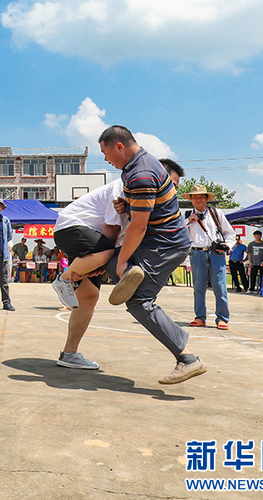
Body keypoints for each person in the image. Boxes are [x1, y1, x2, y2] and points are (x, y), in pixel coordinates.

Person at [99, 125, 205, 384]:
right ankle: (131, 270)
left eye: (105, 153)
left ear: (119, 146)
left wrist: (124, 261)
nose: (105, 159)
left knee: (138, 300)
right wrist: (126, 207)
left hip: (165, 244)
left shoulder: (142, 173)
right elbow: (142, 213)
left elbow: (139, 225)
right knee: (111, 263)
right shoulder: (136, 167)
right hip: (158, 240)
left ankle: (187, 359)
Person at [51, 178, 126, 369]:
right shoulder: (121, 188)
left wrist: (93, 266)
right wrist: (104, 259)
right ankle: (64, 279)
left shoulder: (149, 201)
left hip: (91, 240)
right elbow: (111, 228)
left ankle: (69, 354)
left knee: (89, 296)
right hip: (71, 227)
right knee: (108, 251)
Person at [184, 185, 237, 330]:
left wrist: (227, 245)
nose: (198, 199)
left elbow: (230, 233)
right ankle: (200, 317)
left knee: (220, 286)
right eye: (194, 197)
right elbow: (177, 233)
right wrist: (189, 221)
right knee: (198, 287)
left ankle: (222, 318)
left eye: (201, 196)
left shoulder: (216, 213)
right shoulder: (187, 215)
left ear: (207, 198)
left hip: (216, 253)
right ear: (191, 199)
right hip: (196, 253)